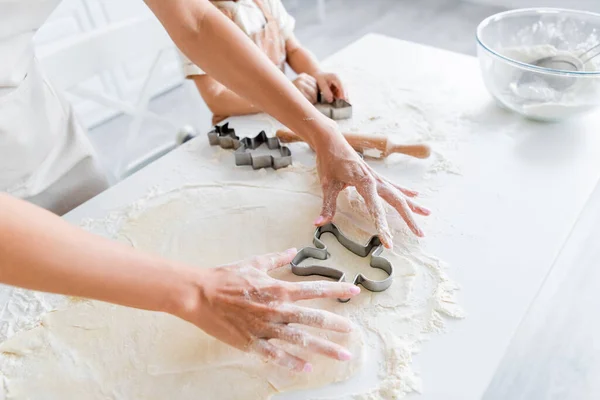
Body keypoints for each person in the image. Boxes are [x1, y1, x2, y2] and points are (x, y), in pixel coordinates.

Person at [0, 0, 430, 373]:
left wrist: (323, 134)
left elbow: (194, 19)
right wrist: (195, 292)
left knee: (98, 294)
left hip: (35, 118)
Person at [181, 0, 348, 125]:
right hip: (239, 125)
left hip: (280, 115)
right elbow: (216, 99)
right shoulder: (192, 23)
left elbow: (293, 49)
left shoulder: (264, 2)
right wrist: (283, 95)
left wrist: (316, 73)